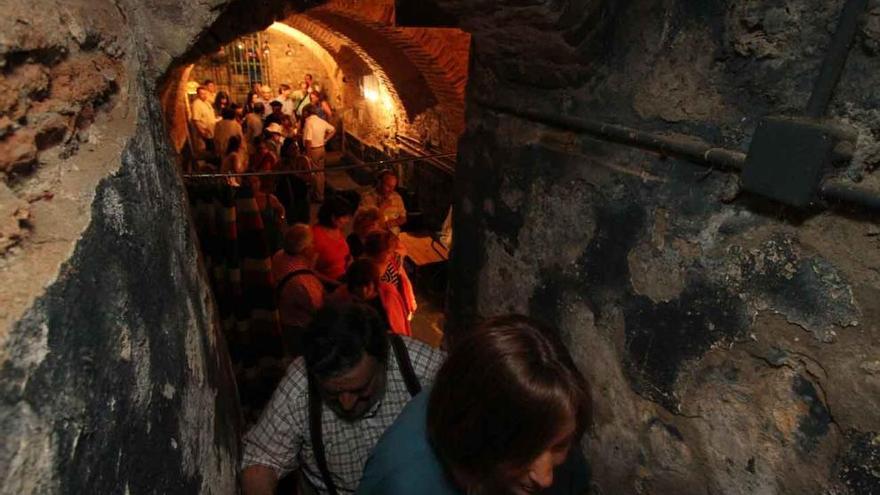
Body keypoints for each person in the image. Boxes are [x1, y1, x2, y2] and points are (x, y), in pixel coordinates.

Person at [356, 315, 592, 495]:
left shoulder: (550, 422)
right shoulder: (403, 483)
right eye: (525, 450)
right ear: (477, 437)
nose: (545, 478)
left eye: (559, 446)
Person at [241, 302, 445, 495]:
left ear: (384, 361)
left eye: (359, 390)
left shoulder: (420, 369)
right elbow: (260, 459)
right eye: (332, 393)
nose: (347, 404)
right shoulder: (300, 385)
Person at [271, 224, 325, 355]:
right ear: (305, 250)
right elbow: (320, 309)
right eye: (313, 243)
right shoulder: (302, 282)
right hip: (300, 329)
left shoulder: (279, 255)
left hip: (284, 317)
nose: (315, 246)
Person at [332, 259, 412, 336]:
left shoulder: (389, 295)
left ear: (374, 282)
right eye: (359, 286)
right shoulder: (344, 294)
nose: (364, 291)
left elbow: (398, 329)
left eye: (367, 285)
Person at [363, 230, 416, 320]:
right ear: (377, 252)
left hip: (393, 304)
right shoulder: (367, 270)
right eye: (388, 252)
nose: (391, 254)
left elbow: (402, 252)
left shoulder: (391, 261)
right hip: (379, 311)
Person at [311, 196, 352, 284]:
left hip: (344, 277)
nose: (348, 220)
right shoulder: (316, 237)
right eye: (344, 217)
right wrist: (335, 283)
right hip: (329, 284)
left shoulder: (336, 228)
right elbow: (310, 271)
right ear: (333, 217)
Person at [302, 104, 335, 203]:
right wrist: (325, 140)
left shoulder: (309, 122)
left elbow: (308, 140)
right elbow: (333, 130)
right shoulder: (320, 121)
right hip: (322, 149)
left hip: (313, 150)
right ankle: (321, 194)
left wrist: (308, 155)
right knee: (320, 173)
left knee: (315, 174)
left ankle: (318, 195)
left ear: (307, 112)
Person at [359, 170, 406, 234]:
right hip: (374, 236)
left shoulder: (396, 197)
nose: (391, 190)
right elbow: (365, 223)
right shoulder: (367, 198)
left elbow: (403, 218)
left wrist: (389, 224)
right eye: (388, 186)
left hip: (394, 235)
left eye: (393, 187)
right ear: (379, 182)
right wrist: (382, 208)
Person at [250, 176, 286, 253]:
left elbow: (281, 209)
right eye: (252, 182)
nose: (255, 184)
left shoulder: (269, 198)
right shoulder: (245, 201)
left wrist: (281, 219)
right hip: (255, 237)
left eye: (256, 181)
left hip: (271, 235)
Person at [190, 85, 218, 155]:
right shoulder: (196, 104)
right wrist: (203, 133)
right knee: (209, 153)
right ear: (198, 94)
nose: (204, 95)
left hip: (211, 133)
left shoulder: (207, 102)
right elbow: (196, 120)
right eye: (202, 94)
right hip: (205, 135)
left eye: (205, 93)